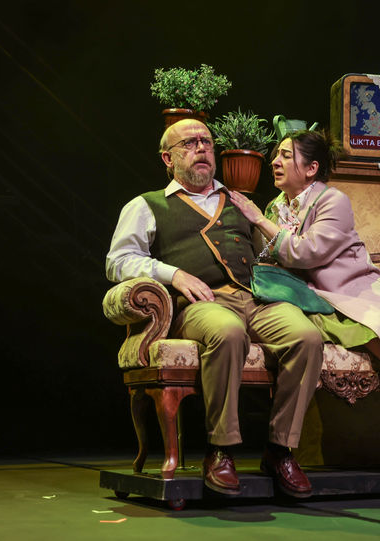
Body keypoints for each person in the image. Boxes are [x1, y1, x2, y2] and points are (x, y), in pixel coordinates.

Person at [105, 118, 323, 498]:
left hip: (254, 298)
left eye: (206, 142)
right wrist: (173, 274)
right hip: (200, 304)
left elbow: (270, 253)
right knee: (228, 331)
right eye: (189, 144)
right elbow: (118, 261)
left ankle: (280, 450)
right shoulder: (147, 205)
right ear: (167, 159)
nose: (201, 149)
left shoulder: (239, 202)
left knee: (306, 336)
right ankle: (221, 449)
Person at [229, 129, 380, 459]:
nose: (275, 161)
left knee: (374, 329)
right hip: (310, 296)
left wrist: (259, 220)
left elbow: (307, 252)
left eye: (285, 155)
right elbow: (271, 255)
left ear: (311, 168)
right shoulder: (274, 207)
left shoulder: (333, 201)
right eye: (276, 155)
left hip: (352, 291)